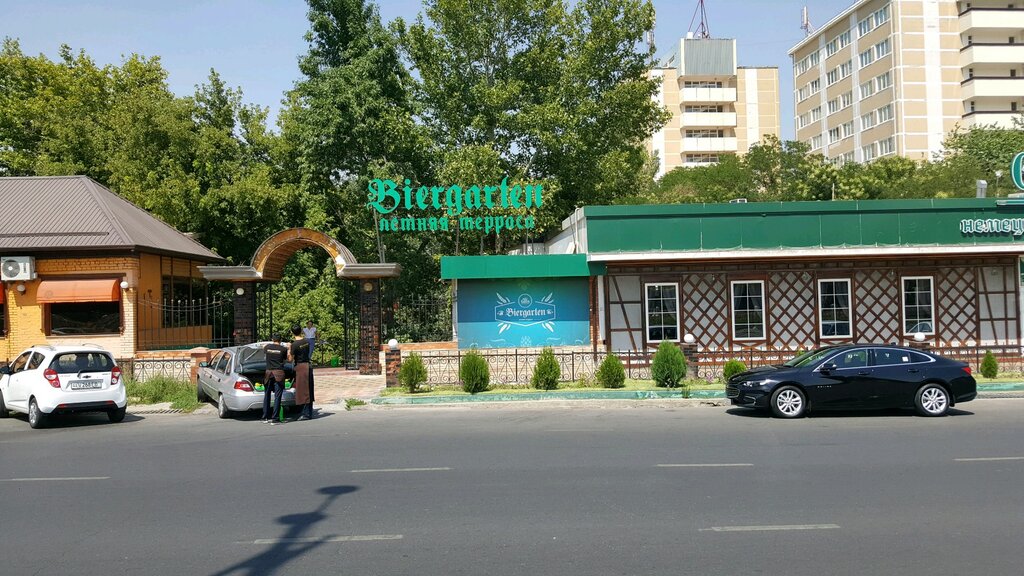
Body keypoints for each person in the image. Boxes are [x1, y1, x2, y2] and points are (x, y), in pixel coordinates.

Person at [261, 334, 289, 424]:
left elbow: (263, 347)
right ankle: (275, 418)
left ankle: (265, 417)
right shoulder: (283, 349)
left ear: (272, 339)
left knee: (267, 395)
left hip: (268, 374)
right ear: (280, 340)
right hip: (279, 374)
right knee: (277, 396)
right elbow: (287, 360)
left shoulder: (267, 347)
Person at [289, 324, 314, 421]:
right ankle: (309, 412)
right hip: (308, 365)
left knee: (303, 391)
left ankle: (305, 414)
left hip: (301, 367)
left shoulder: (294, 344)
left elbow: (290, 359)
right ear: (301, 331)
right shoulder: (306, 341)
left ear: (292, 333)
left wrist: (289, 349)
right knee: (309, 390)